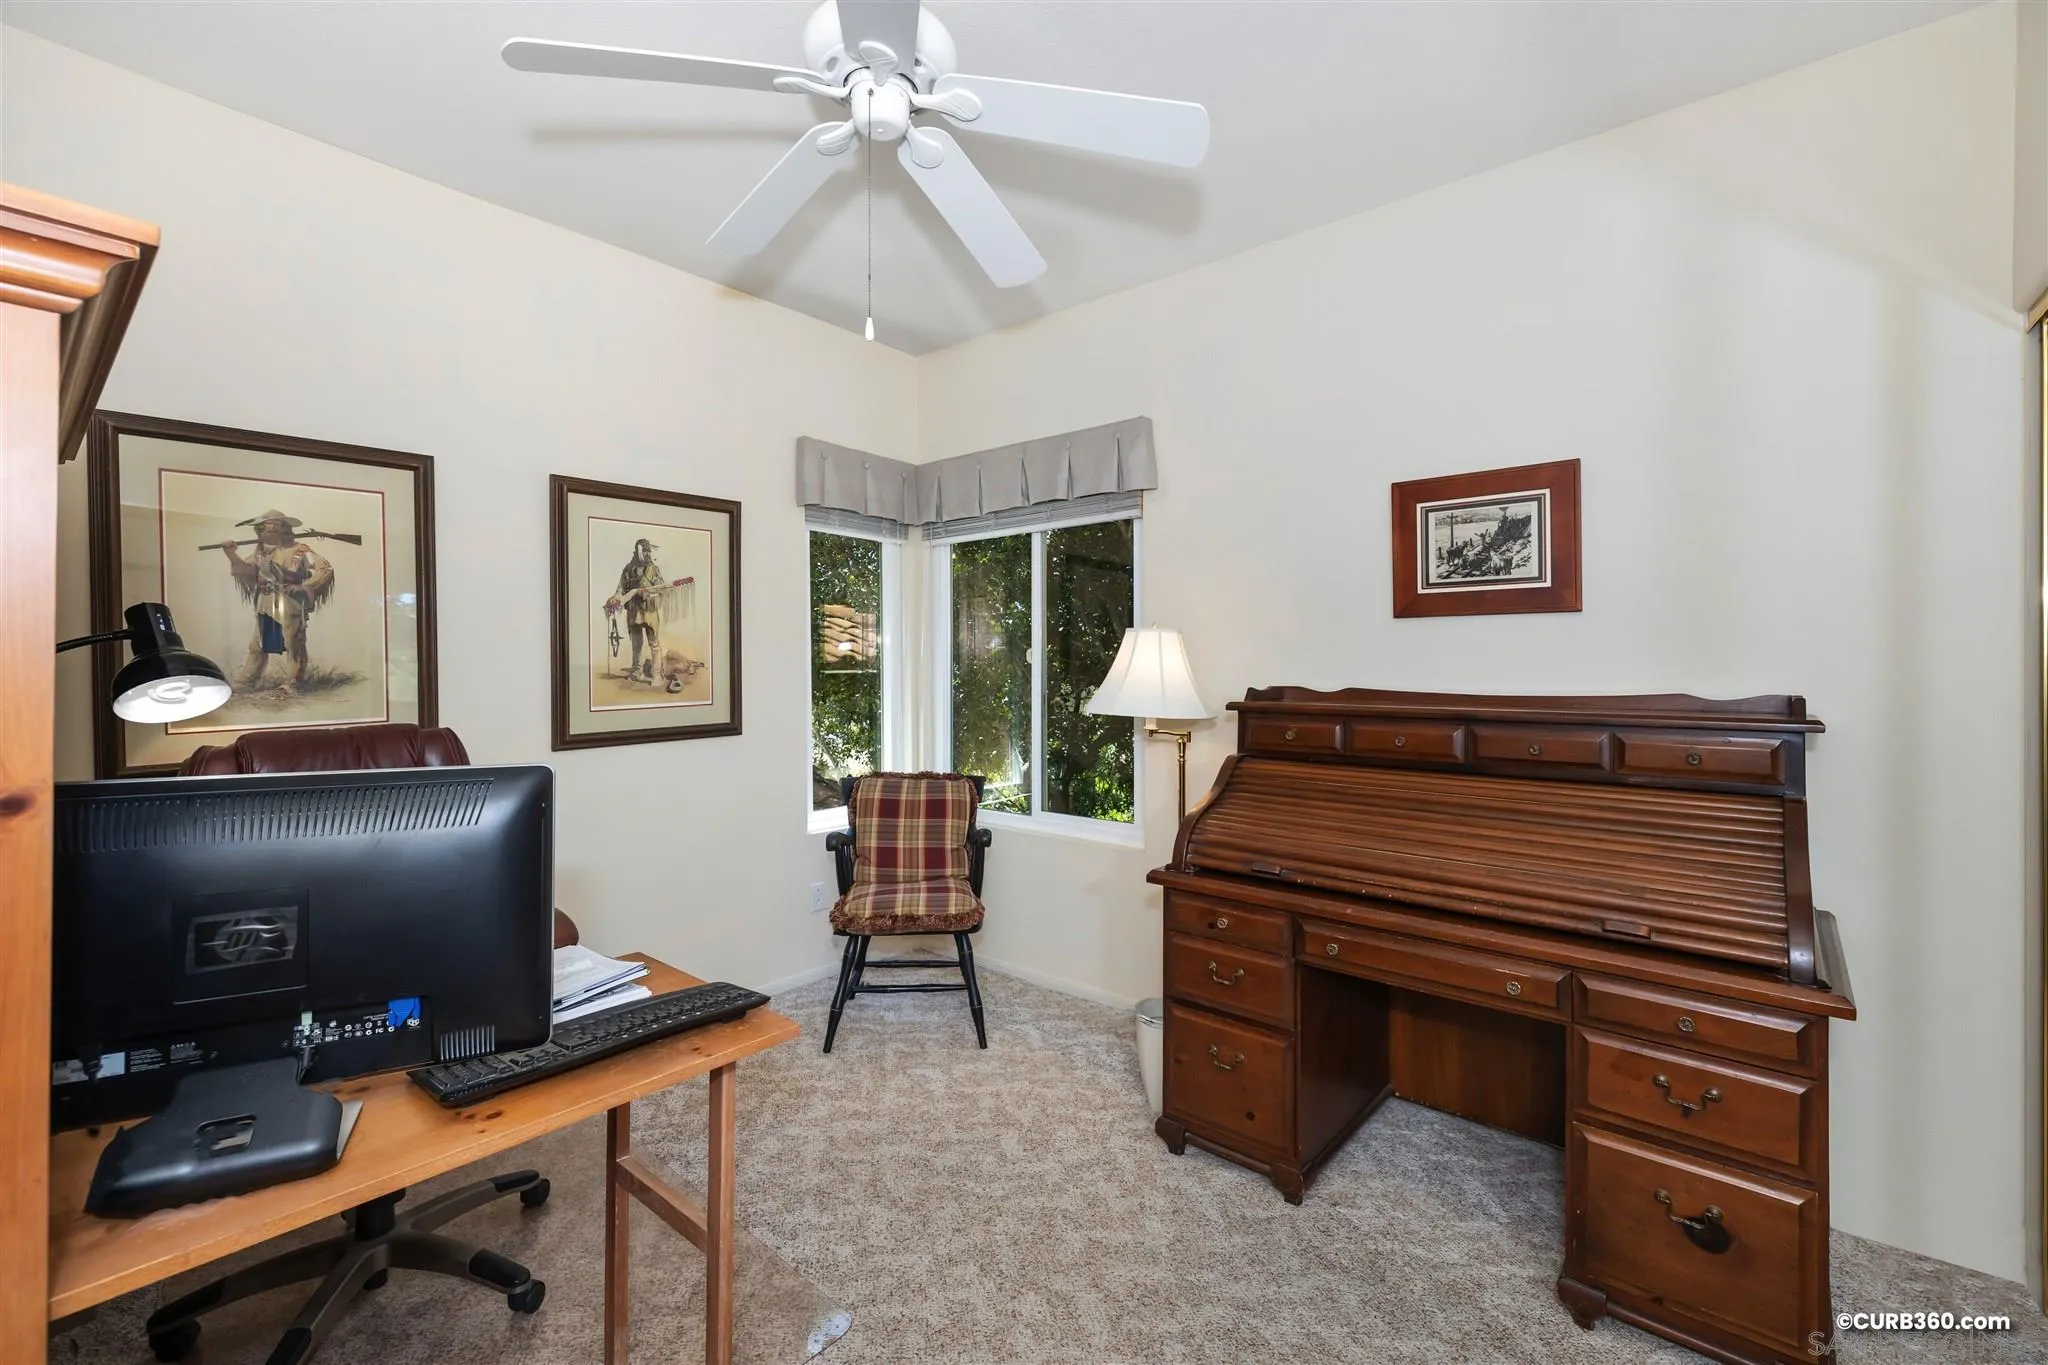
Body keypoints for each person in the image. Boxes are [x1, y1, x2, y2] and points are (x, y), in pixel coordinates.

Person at [219, 510, 334, 693]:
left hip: (290, 603)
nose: (268, 530)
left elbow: (325, 568)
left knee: (293, 642)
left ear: (284, 529)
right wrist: (231, 554)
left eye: (273, 527)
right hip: (265, 603)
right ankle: (246, 682)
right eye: (266, 527)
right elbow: (246, 571)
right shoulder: (262, 554)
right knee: (258, 644)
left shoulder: (300, 550)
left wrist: (304, 587)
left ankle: (294, 683)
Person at [606, 539, 670, 685]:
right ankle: (636, 671)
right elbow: (621, 589)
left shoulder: (654, 570)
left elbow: (661, 590)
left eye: (648, 552)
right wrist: (615, 599)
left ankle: (656, 675)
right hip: (634, 611)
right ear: (637, 552)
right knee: (636, 644)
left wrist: (648, 594)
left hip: (650, 611)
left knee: (654, 644)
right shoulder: (628, 569)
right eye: (644, 551)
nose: (647, 554)